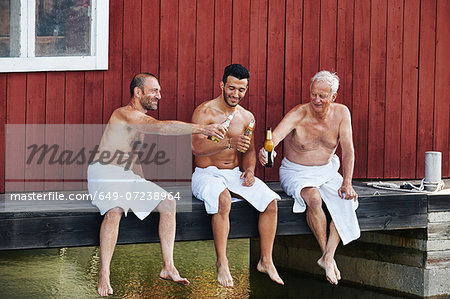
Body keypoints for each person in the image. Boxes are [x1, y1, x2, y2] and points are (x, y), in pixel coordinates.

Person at [87, 73, 226, 297]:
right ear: (137, 92)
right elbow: (160, 127)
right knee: (115, 210)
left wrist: (143, 184)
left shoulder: (138, 125)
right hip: (103, 171)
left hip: (125, 174)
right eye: (154, 91)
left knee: (168, 202)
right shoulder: (123, 114)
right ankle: (104, 273)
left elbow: (133, 158)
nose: (159, 96)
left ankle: (168, 266)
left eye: (159, 91)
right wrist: (203, 129)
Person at [258, 71, 360, 285]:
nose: (316, 100)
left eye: (322, 96)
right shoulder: (299, 114)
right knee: (314, 199)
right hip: (296, 171)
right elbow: (273, 139)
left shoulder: (342, 113)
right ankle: (326, 255)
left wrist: (347, 183)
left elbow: (348, 150)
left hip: (327, 170)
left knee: (347, 200)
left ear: (334, 96)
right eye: (313, 94)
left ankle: (328, 257)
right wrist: (268, 151)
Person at [191, 64, 284, 287]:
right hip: (206, 174)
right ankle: (222, 261)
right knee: (223, 200)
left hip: (234, 173)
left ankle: (266, 260)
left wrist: (250, 170)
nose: (235, 94)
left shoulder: (247, 117)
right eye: (232, 88)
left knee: (271, 201)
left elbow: (249, 151)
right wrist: (230, 142)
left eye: (241, 90)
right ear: (222, 85)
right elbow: (196, 148)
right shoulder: (204, 111)